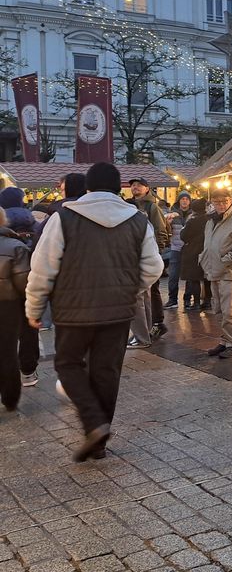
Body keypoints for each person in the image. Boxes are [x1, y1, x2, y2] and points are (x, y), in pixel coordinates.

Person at [25, 162, 163, 461]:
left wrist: (33, 308)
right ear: (119, 188)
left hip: (72, 311)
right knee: (106, 371)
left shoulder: (64, 217)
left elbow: (42, 267)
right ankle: (98, 440)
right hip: (118, 311)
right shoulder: (138, 220)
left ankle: (93, 422)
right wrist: (126, 288)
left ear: (87, 187)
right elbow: (154, 267)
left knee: (68, 364)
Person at [199, 187, 232, 358]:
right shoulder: (210, 221)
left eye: (224, 201)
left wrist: (227, 259)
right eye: (217, 202)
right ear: (212, 203)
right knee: (218, 309)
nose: (221, 205)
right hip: (213, 270)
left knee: (229, 310)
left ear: (230, 200)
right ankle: (225, 341)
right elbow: (209, 244)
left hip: (229, 272)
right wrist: (203, 259)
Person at [0, 187, 42, 387]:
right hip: (25, 283)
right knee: (28, 329)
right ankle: (28, 371)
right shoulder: (33, 221)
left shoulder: (3, 219)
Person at [128, 178, 169, 340]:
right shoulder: (129, 205)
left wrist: (156, 252)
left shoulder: (152, 207)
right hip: (134, 256)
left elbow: (161, 230)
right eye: (132, 185)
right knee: (142, 292)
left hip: (149, 254)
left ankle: (157, 323)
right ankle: (147, 325)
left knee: (153, 289)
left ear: (147, 189)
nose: (135, 187)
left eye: (139, 185)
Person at [0, 207, 31, 412]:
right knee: (7, 351)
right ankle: (10, 397)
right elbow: (24, 282)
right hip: (7, 306)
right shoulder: (16, 246)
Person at [180, 198, 210, 311]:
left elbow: (183, 236)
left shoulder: (192, 221)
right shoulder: (210, 219)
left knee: (194, 278)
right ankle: (207, 302)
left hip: (193, 252)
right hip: (207, 251)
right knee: (207, 278)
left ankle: (196, 303)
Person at [165, 191, 193, 309]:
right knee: (173, 275)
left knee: (190, 276)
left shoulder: (193, 214)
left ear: (190, 201)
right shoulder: (172, 214)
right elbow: (166, 230)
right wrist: (168, 223)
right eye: (182, 199)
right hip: (176, 248)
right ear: (179, 201)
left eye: (187, 199)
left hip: (189, 248)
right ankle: (172, 299)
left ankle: (187, 300)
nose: (185, 201)